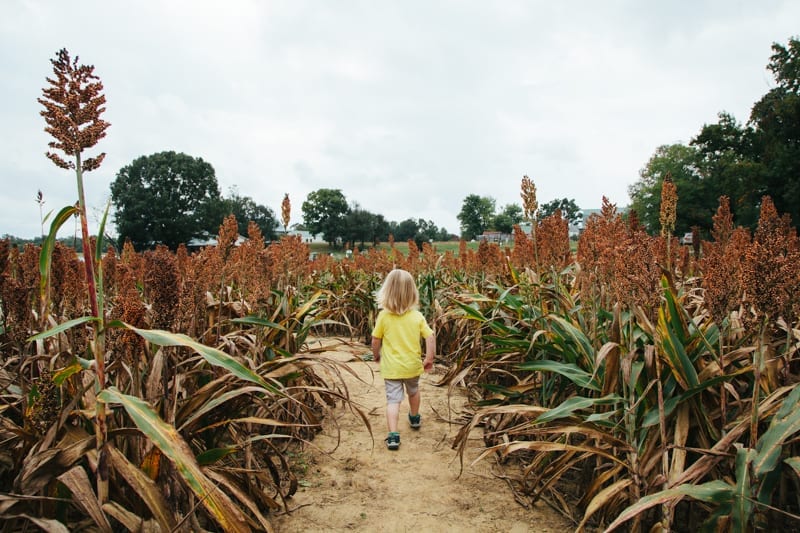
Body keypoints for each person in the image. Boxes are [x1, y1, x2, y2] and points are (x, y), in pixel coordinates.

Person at [371, 269, 435, 450]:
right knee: (413, 392)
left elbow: (376, 340)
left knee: (393, 401)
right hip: (412, 367)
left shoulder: (383, 316)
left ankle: (393, 435)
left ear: (386, 291)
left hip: (392, 368)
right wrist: (429, 358)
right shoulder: (417, 316)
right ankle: (414, 417)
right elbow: (430, 337)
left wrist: (376, 355)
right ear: (412, 292)